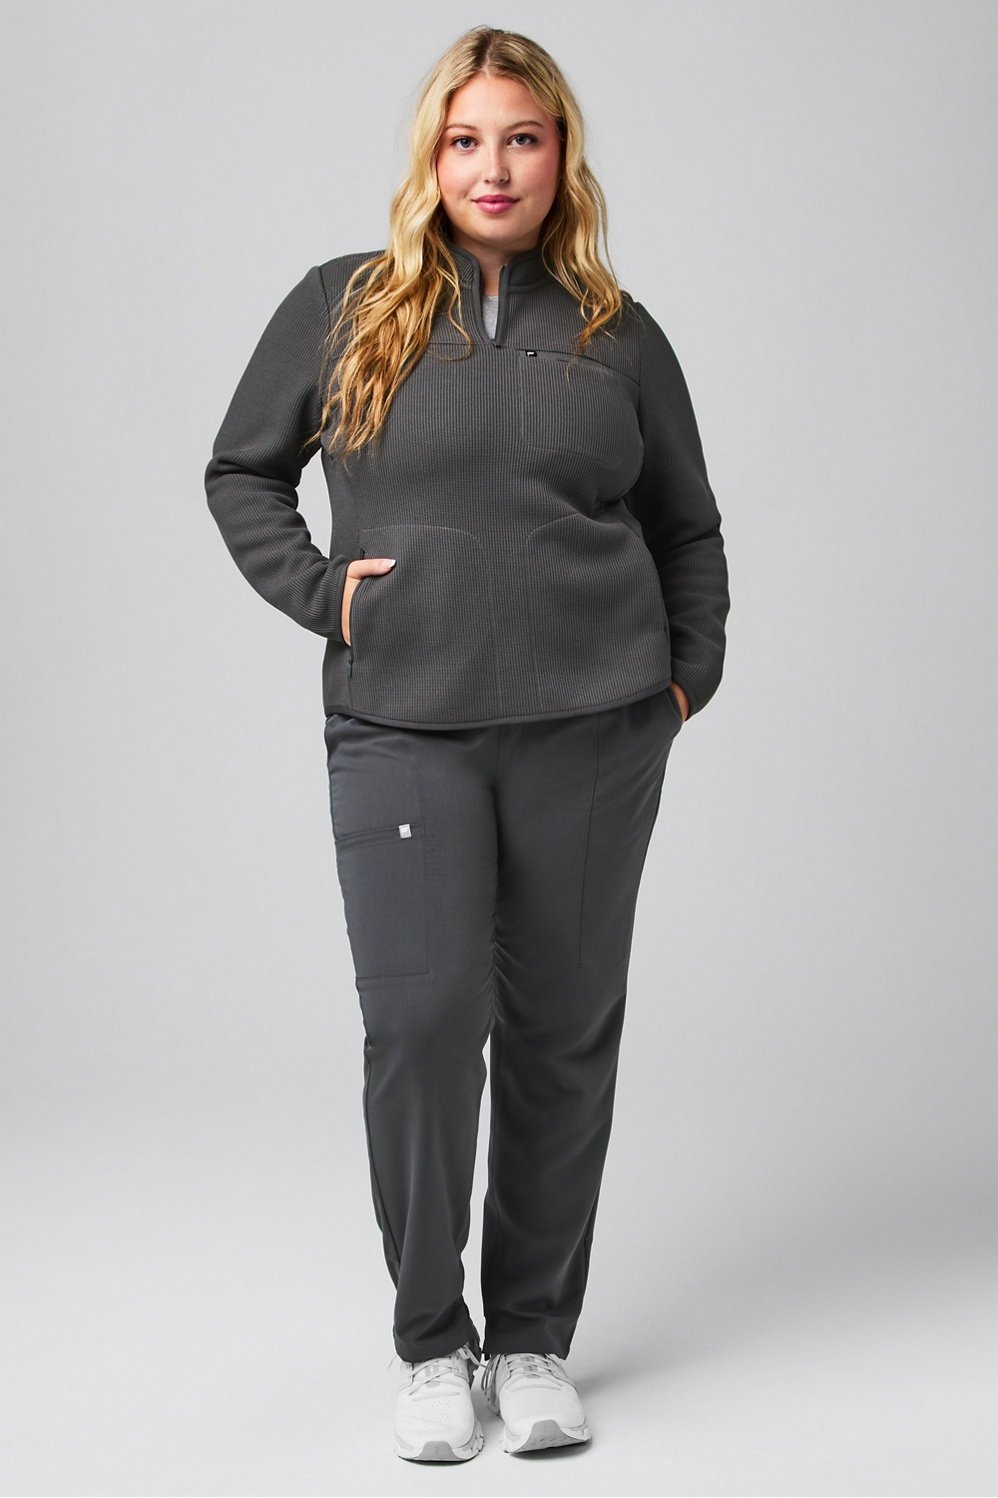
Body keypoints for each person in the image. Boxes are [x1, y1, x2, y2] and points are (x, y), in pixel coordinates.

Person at [204, 24, 730, 1463]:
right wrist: (325, 596)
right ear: (430, 156)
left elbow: (686, 522)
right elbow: (242, 470)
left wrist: (685, 678)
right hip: (403, 726)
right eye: (465, 139)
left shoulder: (616, 329)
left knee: (562, 1032)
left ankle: (536, 1336)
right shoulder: (344, 303)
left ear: (562, 157)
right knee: (426, 1025)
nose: (493, 167)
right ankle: (434, 1344)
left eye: (522, 139)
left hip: (593, 731)